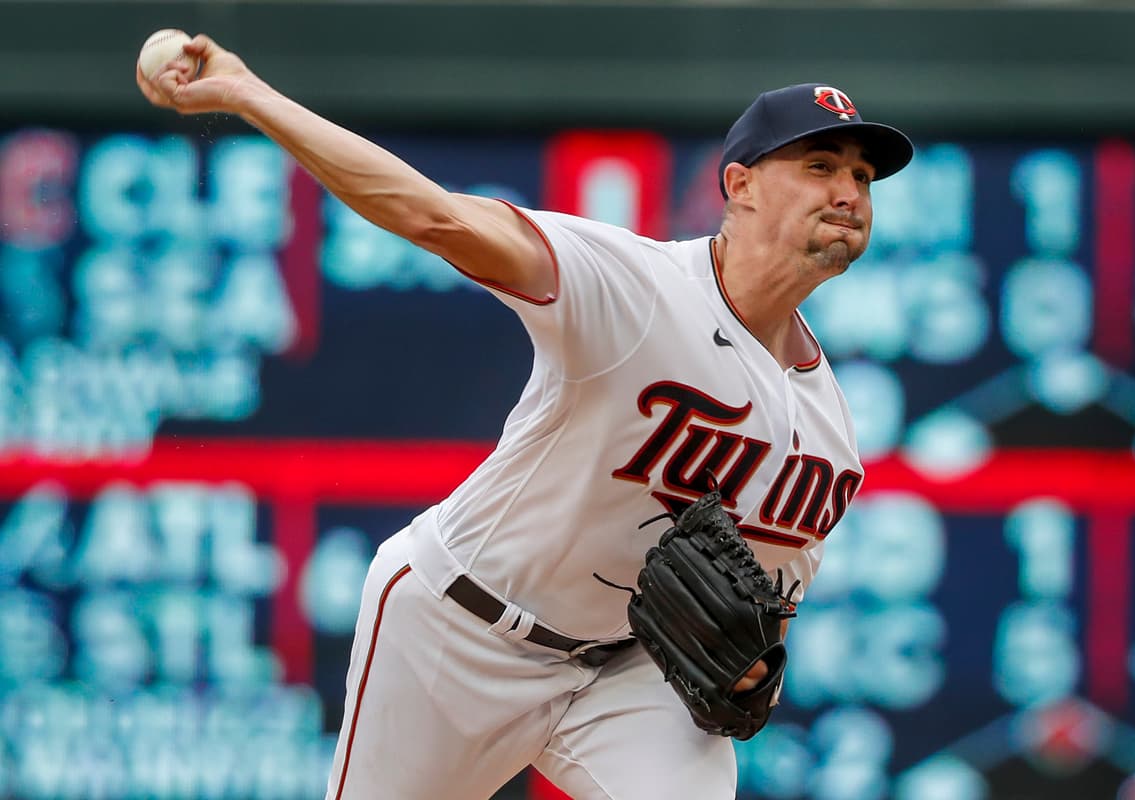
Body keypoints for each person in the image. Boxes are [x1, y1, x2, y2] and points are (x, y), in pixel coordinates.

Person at [137, 35, 913, 800]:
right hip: (456, 630)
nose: (848, 191)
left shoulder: (829, 432)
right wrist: (248, 94)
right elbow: (432, 217)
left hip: (622, 672)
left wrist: (754, 673)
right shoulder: (634, 288)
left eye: (861, 175)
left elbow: (765, 611)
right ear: (739, 185)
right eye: (819, 167)